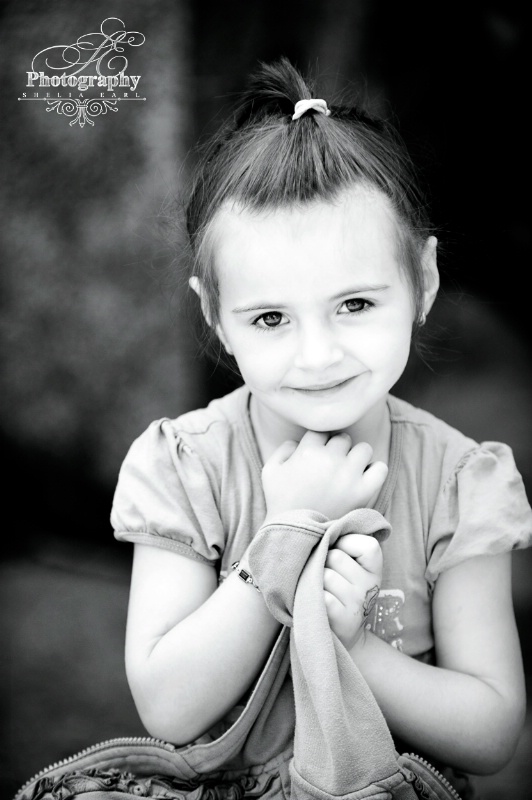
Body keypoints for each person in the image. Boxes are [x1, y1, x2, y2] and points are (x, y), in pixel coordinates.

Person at [111, 58, 532, 798]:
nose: (318, 355)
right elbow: (169, 707)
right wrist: (287, 536)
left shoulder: (461, 481)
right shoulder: (183, 466)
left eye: (356, 305)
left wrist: (358, 648)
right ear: (214, 312)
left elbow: (492, 731)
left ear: (423, 283)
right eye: (270, 318)